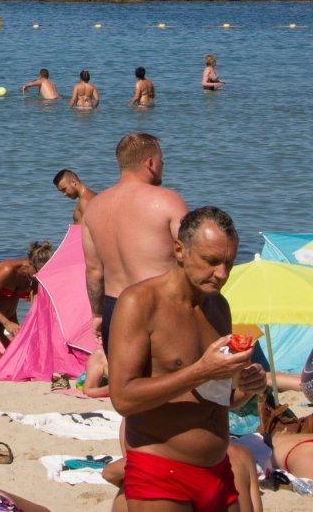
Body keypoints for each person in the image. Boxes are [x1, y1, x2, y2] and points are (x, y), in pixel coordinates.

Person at [108, 206, 259, 512]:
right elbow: (122, 398)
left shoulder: (219, 307)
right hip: (160, 471)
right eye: (211, 261)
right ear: (179, 250)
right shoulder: (140, 302)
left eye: (229, 263)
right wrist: (200, 371)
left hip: (217, 470)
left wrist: (246, 389)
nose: (222, 274)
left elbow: (215, 399)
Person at [82, 132, 187, 348]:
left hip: (115, 310)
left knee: (121, 372)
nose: (163, 164)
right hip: (158, 306)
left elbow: (94, 271)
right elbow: (192, 257)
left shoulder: (93, 208)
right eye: (161, 159)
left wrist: (98, 315)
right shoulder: (169, 201)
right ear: (150, 163)